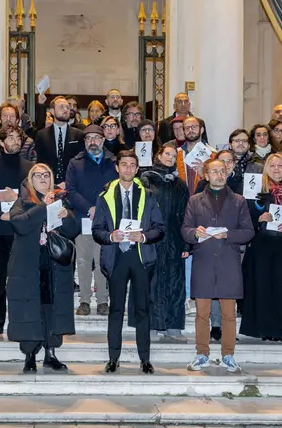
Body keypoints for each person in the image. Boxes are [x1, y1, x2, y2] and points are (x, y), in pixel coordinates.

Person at [92, 150, 166, 374]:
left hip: (140, 256)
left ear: (137, 169)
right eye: (123, 164)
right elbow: (97, 230)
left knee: (142, 309)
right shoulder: (104, 196)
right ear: (117, 167)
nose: (127, 169)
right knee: (115, 310)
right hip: (116, 257)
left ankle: (145, 359)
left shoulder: (149, 195)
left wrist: (143, 236)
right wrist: (110, 236)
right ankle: (113, 358)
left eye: (132, 165)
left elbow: (160, 228)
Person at [182, 158, 254, 372]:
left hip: (228, 261)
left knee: (229, 314)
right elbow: (185, 228)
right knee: (202, 313)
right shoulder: (194, 200)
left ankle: (228, 354)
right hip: (203, 261)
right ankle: (202, 353)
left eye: (222, 171)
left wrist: (228, 234)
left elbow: (248, 231)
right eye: (214, 171)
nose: (219, 175)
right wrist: (194, 233)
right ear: (206, 175)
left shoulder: (239, 201)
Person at [7, 163, 79, 374]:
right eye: (38, 176)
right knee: (30, 308)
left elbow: (73, 230)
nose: (43, 179)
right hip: (28, 265)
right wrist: (42, 207)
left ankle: (50, 353)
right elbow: (18, 224)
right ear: (31, 180)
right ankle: (30, 355)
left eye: (46, 175)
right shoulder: (23, 201)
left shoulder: (60, 200)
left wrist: (67, 216)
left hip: (53, 266)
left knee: (51, 307)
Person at [0, 125, 33, 341]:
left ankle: (22, 324)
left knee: (22, 279)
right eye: (10, 137)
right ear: (1, 142)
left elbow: (35, 196)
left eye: (18, 137)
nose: (15, 141)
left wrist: (16, 196)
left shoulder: (30, 168)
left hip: (22, 231)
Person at [240, 153, 282, 342]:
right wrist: (258, 219)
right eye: (272, 165)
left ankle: (278, 329)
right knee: (261, 285)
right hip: (261, 244)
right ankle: (261, 328)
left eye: (279, 166)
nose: (276, 169)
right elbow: (243, 217)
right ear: (266, 168)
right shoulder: (256, 191)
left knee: (280, 285)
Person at [65, 125, 117, 316]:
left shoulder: (114, 162)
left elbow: (117, 189)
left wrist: (101, 209)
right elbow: (70, 191)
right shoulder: (75, 163)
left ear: (103, 140)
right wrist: (89, 207)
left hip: (106, 221)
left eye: (96, 138)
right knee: (84, 261)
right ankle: (85, 300)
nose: (92, 142)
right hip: (83, 218)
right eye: (88, 139)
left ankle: (103, 300)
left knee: (102, 260)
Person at [140, 145, 190, 341]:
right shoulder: (146, 179)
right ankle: (152, 325)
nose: (170, 157)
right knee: (151, 282)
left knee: (175, 282)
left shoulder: (180, 184)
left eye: (173, 155)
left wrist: (187, 243)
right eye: (166, 154)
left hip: (175, 239)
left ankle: (173, 326)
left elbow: (187, 215)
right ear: (158, 156)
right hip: (152, 238)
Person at [35, 95, 85, 187]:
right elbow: (40, 163)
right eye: (61, 107)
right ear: (52, 111)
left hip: (72, 184)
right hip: (48, 184)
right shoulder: (41, 135)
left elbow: (81, 162)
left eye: (67, 107)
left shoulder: (78, 134)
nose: (66, 110)